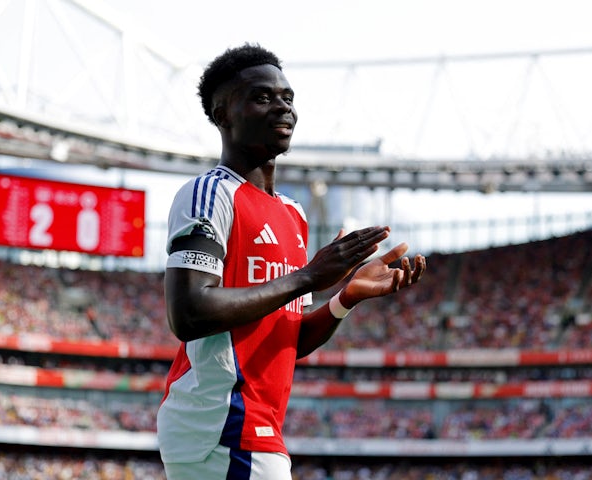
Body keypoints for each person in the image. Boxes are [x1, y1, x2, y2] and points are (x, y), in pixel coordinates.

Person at [157, 43, 426, 480]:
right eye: (262, 97)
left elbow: (285, 340)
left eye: (288, 97)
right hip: (220, 423)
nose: (283, 107)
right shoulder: (208, 194)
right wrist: (307, 277)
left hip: (256, 429)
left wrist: (344, 298)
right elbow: (188, 312)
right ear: (222, 114)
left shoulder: (293, 214)